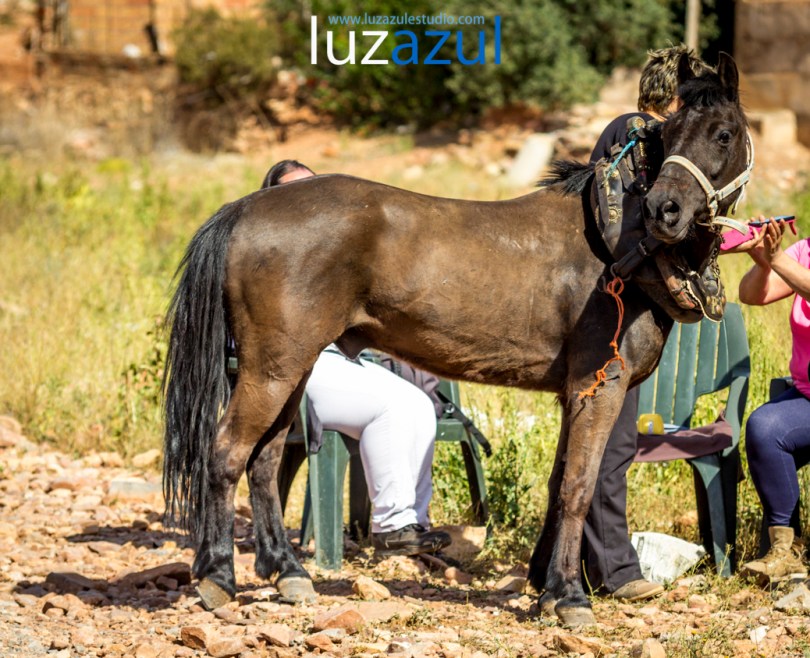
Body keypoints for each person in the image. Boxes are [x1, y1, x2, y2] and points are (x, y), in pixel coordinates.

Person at [262, 159, 452, 557]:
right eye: (295, 193)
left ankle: (413, 523)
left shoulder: (331, 253)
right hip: (293, 367)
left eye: (318, 190)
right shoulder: (267, 252)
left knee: (418, 403)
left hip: (338, 360)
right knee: (392, 405)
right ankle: (392, 522)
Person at [581, 45, 714, 602]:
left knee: (600, 441)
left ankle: (560, 562)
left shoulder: (641, 136)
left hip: (616, 310)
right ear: (678, 97)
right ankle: (614, 570)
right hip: (610, 311)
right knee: (609, 443)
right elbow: (639, 229)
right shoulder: (636, 133)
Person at [735, 216, 809, 584]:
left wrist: (778, 258)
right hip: (807, 397)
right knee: (765, 427)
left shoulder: (794, 259)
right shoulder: (805, 252)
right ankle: (785, 550)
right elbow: (752, 295)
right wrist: (762, 258)